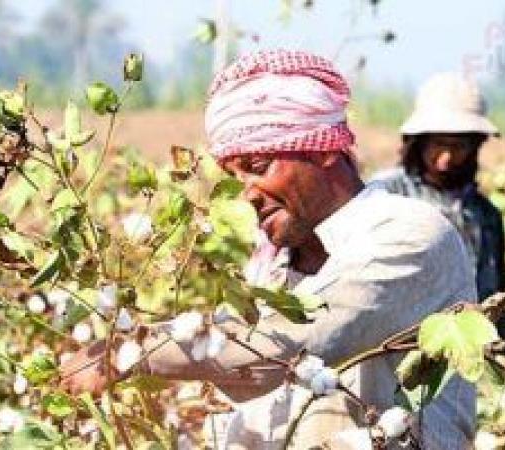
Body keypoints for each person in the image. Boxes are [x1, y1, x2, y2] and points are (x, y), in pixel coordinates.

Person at [59, 50, 476, 449]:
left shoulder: (409, 234)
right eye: (234, 176)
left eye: (259, 168)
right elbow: (242, 369)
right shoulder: (274, 266)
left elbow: (284, 346)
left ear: (325, 149)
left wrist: (128, 350)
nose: (247, 194)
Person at [372, 72, 503, 301]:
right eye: (438, 145)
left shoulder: (484, 214)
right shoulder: (386, 194)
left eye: (459, 147)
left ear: (474, 147)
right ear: (419, 143)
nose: (446, 158)